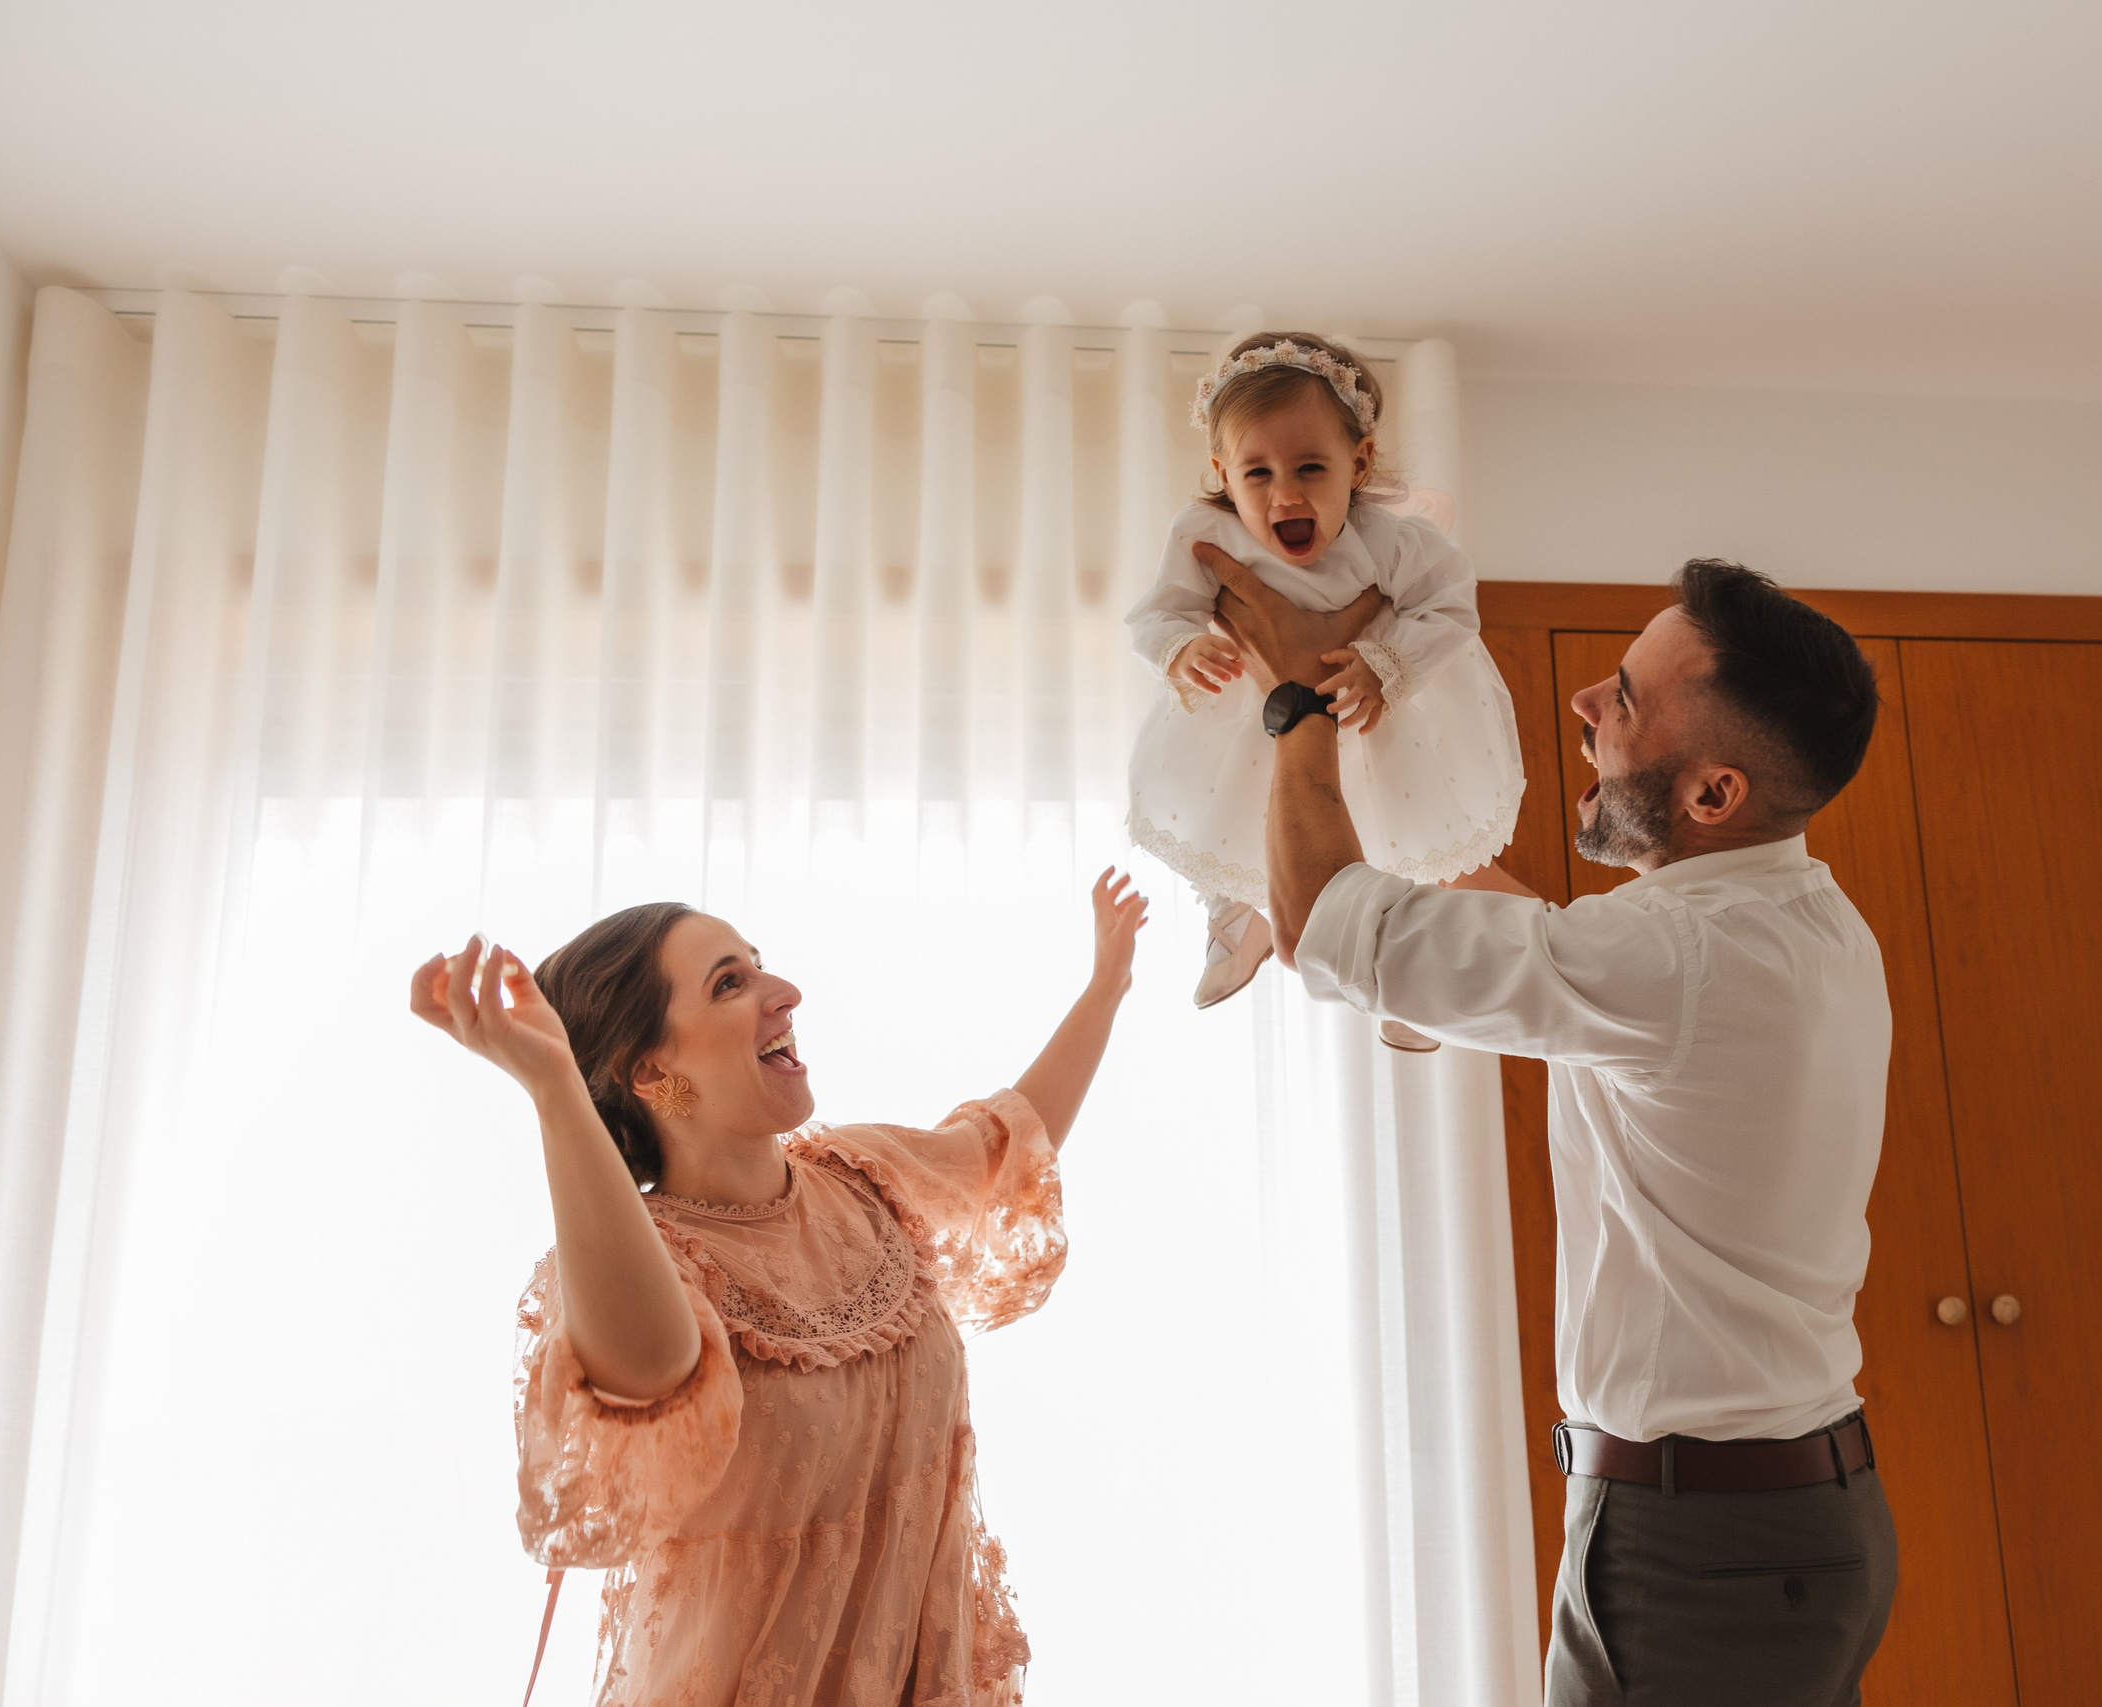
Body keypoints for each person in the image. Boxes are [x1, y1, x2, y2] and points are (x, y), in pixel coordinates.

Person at [1207, 551, 1898, 1707]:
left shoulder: (1674, 961)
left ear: (1713, 795)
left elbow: (1322, 926)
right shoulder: (1796, 916)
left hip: (1707, 1548)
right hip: (1774, 1519)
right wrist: (1402, 801)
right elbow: (1550, 949)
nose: (1582, 701)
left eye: (1622, 697)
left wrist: (1297, 705)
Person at [407, 870, 1150, 1707]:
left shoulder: (862, 1180)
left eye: (761, 967)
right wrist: (554, 1089)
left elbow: (1006, 1139)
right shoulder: (641, 1262)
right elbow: (650, 1369)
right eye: (732, 982)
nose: (786, 993)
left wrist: (1107, 984)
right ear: (650, 1074)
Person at [1122, 331, 1523, 1048]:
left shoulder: (1390, 537)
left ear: (1358, 461)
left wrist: (1386, 663)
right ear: (1221, 470)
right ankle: (1238, 917)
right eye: (1257, 473)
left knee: (1409, 840)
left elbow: (1451, 605)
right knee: (1231, 813)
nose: (1285, 494)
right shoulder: (1205, 533)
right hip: (1245, 710)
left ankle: (1409, 987)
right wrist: (1182, 648)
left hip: (1377, 712)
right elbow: (1158, 612)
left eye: (1311, 467)